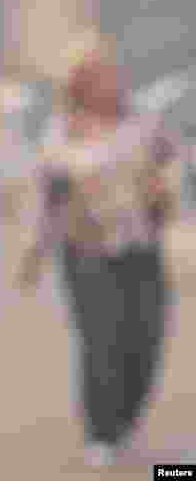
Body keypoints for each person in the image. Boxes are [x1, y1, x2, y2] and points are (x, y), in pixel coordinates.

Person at [17, 34, 182, 469]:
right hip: (86, 251)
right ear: (78, 82)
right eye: (95, 74)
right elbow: (48, 197)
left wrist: (166, 187)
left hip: (141, 247)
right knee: (103, 340)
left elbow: (171, 165)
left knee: (145, 339)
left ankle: (124, 418)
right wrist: (33, 253)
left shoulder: (144, 123)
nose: (108, 80)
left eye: (110, 71)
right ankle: (101, 430)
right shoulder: (61, 132)